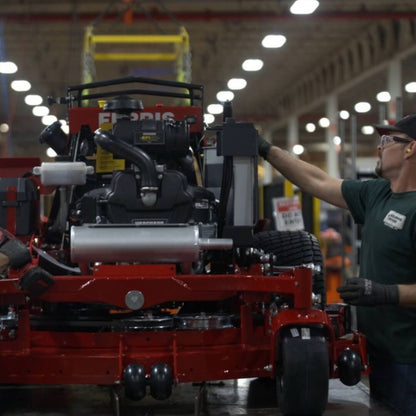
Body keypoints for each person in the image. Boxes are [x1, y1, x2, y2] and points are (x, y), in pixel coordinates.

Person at [258, 114, 416, 416]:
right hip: (378, 353)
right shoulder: (377, 194)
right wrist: (266, 149)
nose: (379, 148)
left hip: (408, 360)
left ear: (410, 149)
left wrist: (386, 293)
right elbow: (318, 180)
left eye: (386, 140)